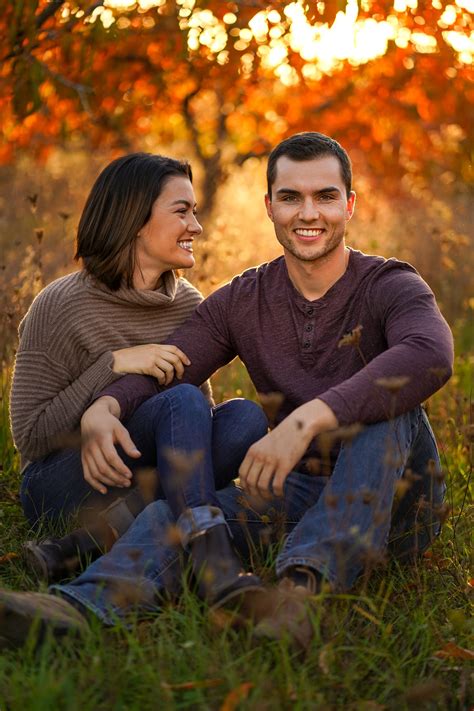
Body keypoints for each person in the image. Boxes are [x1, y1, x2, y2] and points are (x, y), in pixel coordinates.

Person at [1, 132, 453, 649]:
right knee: (190, 504)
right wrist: (106, 402)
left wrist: (306, 421)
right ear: (270, 207)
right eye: (290, 197)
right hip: (298, 493)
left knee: (391, 404)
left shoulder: (391, 283)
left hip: (397, 502)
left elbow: (430, 354)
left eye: (326, 196)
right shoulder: (242, 298)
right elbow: (173, 366)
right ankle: (80, 605)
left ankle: (301, 593)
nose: (309, 213)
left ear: (349, 204)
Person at [8, 152, 268, 600]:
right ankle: (212, 556)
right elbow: (30, 439)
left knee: (244, 418)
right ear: (134, 218)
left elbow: (194, 427)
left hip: (146, 480)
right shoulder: (61, 305)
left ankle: (91, 543)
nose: (197, 226)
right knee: (182, 400)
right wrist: (111, 365)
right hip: (64, 488)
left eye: (196, 211)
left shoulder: (188, 304)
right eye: (182, 211)